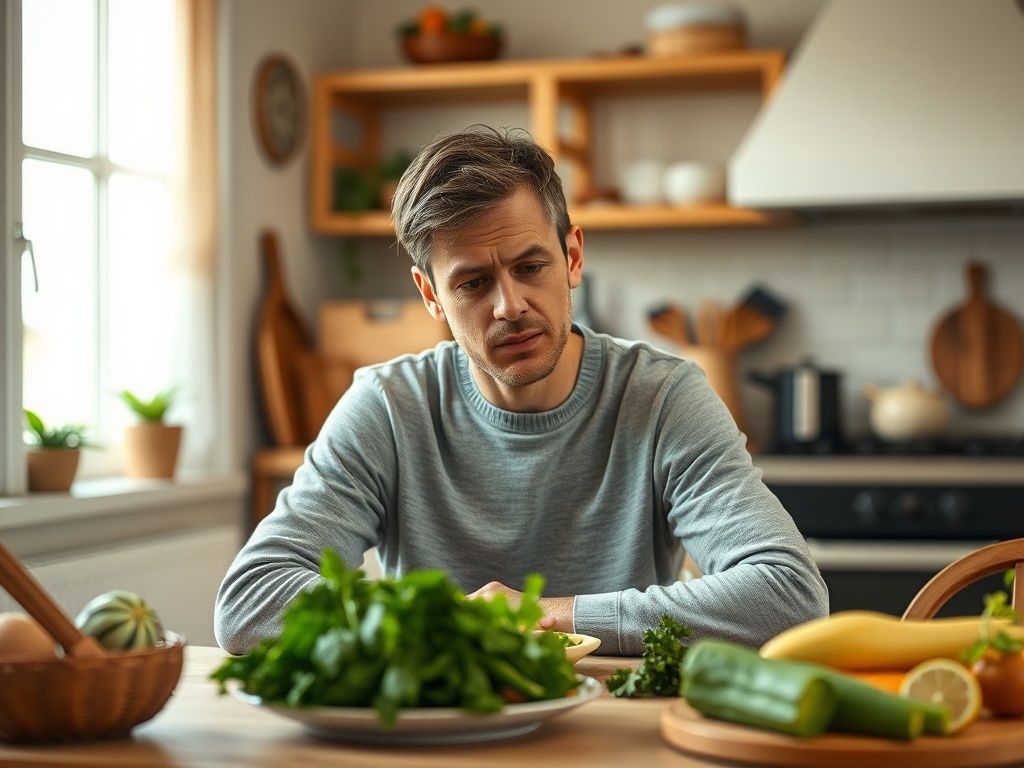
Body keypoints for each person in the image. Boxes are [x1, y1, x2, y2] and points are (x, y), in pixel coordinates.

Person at [214, 125, 828, 656]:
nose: (510, 306)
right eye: (473, 283)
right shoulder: (389, 407)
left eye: (531, 268)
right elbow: (250, 601)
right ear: (431, 296)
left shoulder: (664, 398)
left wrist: (547, 615)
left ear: (572, 257)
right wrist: (451, 625)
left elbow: (790, 594)